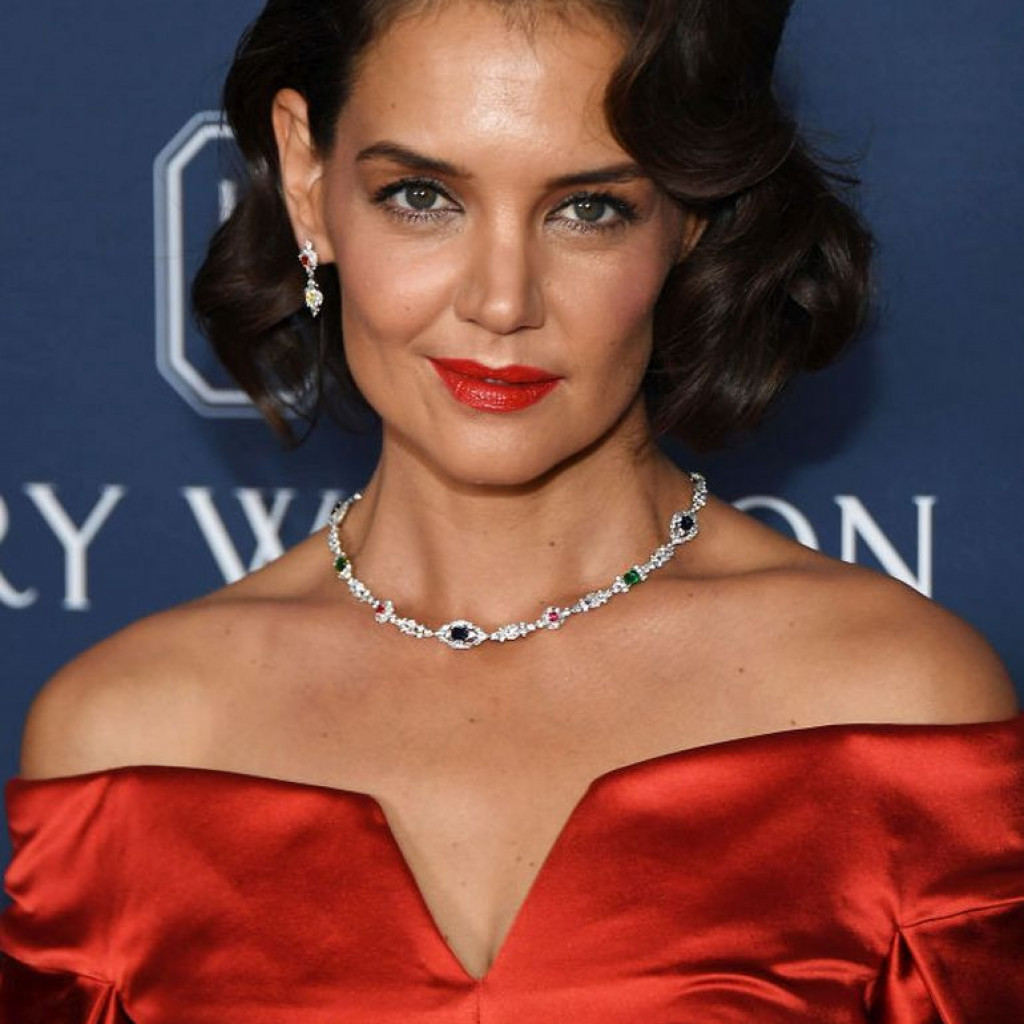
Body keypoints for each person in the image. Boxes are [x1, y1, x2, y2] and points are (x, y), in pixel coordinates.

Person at [2, 0, 1022, 1020]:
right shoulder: (126, 745)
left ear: (692, 213)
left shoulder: (893, 712)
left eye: (589, 210)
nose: (501, 302)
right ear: (307, 180)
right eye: (420, 196)